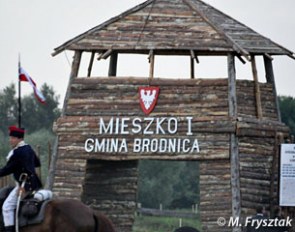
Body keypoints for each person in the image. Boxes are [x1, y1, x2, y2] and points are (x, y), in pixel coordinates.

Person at [0, 126, 42, 232]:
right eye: (10, 138)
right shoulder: (28, 148)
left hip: (25, 185)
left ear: (19, 139)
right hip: (34, 183)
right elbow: (37, 163)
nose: (10, 140)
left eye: (13, 138)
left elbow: (7, 169)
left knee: (7, 207)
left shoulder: (18, 152)